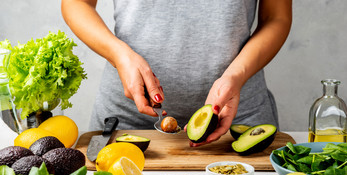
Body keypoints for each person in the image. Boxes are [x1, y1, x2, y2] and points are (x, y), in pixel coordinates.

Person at [61, 0, 292, 147]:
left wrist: (236, 76)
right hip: (124, 119)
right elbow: (76, 3)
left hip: (238, 120)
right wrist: (119, 55)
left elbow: (276, 17)